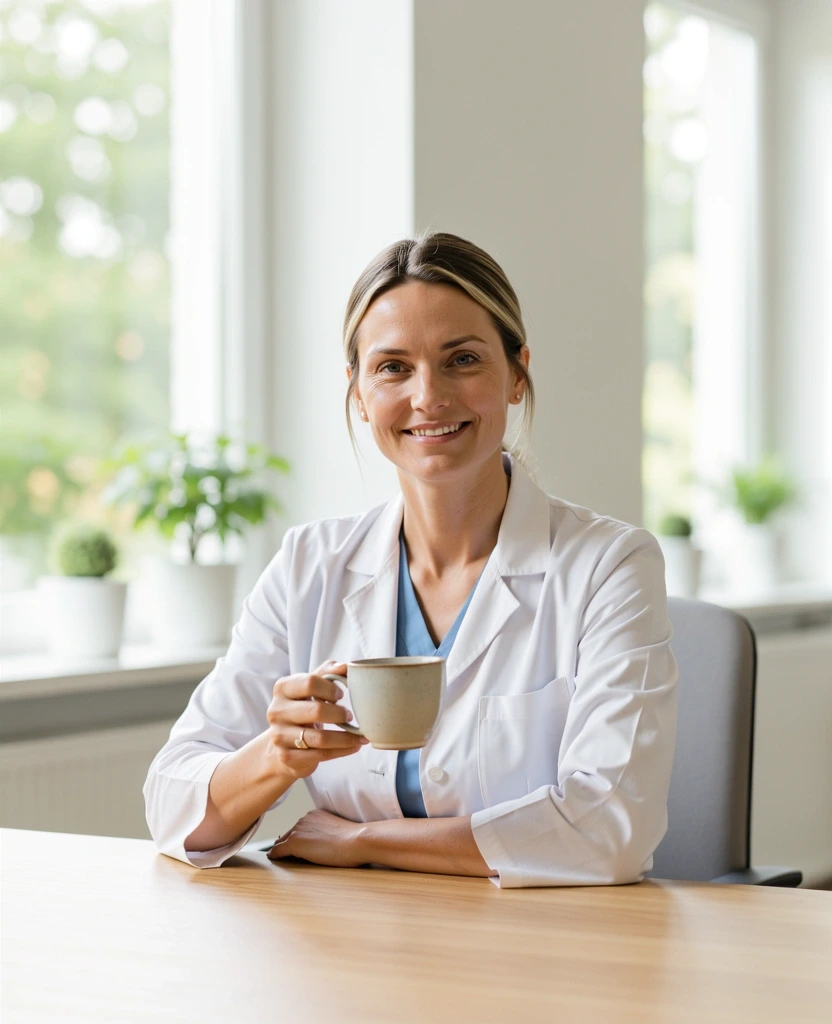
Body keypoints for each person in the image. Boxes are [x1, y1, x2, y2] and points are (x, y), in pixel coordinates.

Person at [144, 232, 678, 888]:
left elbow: (611, 830)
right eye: (393, 367)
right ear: (359, 392)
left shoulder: (608, 566)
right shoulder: (310, 565)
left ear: (517, 374)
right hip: (355, 936)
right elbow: (172, 806)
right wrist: (277, 757)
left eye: (463, 359)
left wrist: (365, 841)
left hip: (539, 938)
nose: (429, 396)